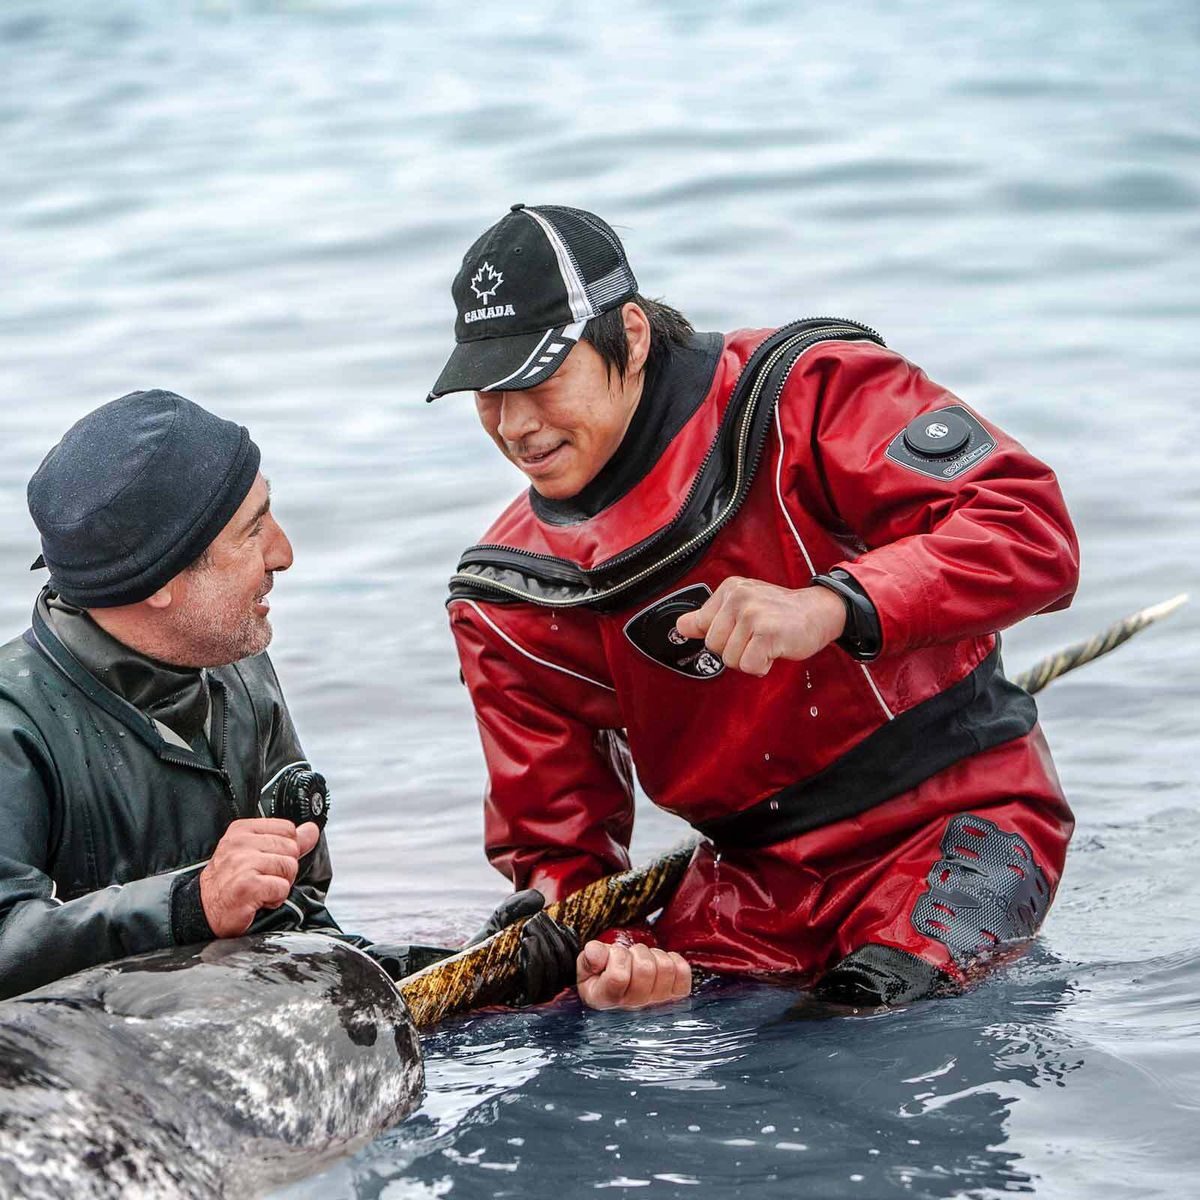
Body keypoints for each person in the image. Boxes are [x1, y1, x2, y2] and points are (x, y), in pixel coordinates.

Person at [427, 203, 1080, 1011]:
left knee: (864, 1027)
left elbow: (1032, 531)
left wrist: (835, 605)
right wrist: (618, 959)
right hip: (749, 886)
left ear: (629, 336)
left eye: (540, 376)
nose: (515, 424)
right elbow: (566, 868)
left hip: (959, 818)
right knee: (570, 1022)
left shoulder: (807, 392)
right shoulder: (505, 596)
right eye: (486, 391)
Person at [0, 390, 486, 1001]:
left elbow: (302, 933)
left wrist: (485, 967)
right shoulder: (14, 726)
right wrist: (187, 905)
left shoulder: (239, 666)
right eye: (253, 529)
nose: (283, 552)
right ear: (160, 581)